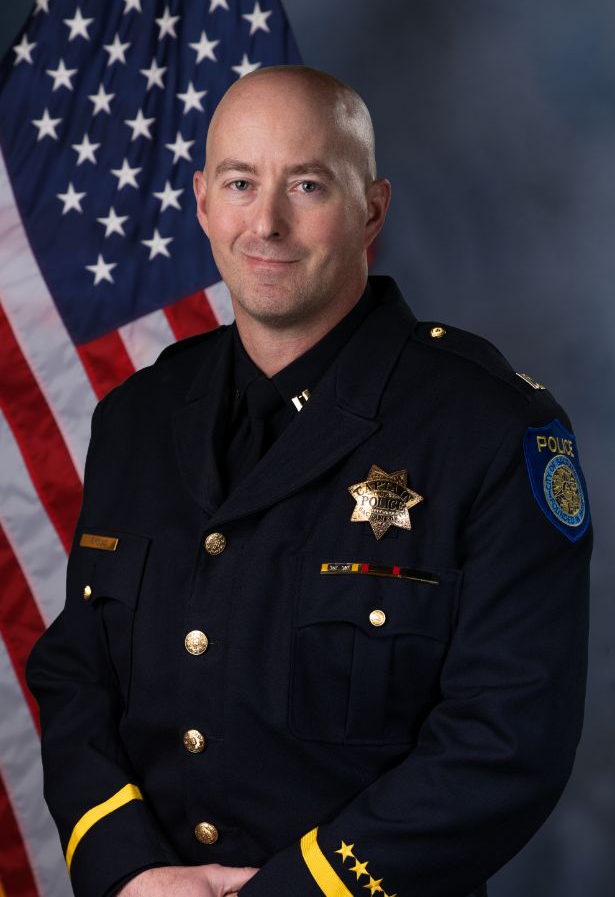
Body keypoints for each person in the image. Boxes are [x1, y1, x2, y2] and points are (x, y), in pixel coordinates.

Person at [27, 66, 592, 897]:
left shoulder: (486, 430)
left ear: (371, 210)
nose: (267, 222)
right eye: (240, 183)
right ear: (201, 202)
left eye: (307, 184)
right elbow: (77, 675)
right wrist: (130, 869)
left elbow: (507, 739)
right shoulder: (136, 420)